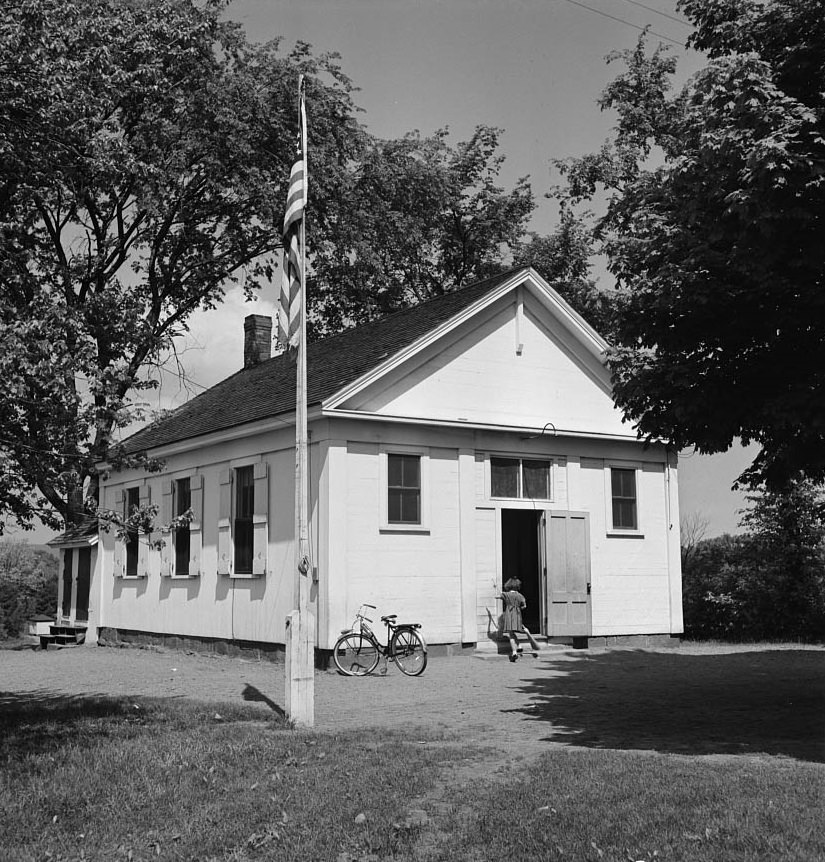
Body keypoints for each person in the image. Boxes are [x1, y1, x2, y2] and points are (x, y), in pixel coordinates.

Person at [500, 577, 541, 661]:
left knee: (511, 634)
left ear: (508, 585)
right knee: (515, 632)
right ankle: (519, 646)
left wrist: (500, 594)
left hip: (509, 614)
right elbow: (524, 606)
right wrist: (518, 607)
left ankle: (514, 652)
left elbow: (497, 597)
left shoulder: (506, 594)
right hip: (517, 614)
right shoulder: (520, 595)